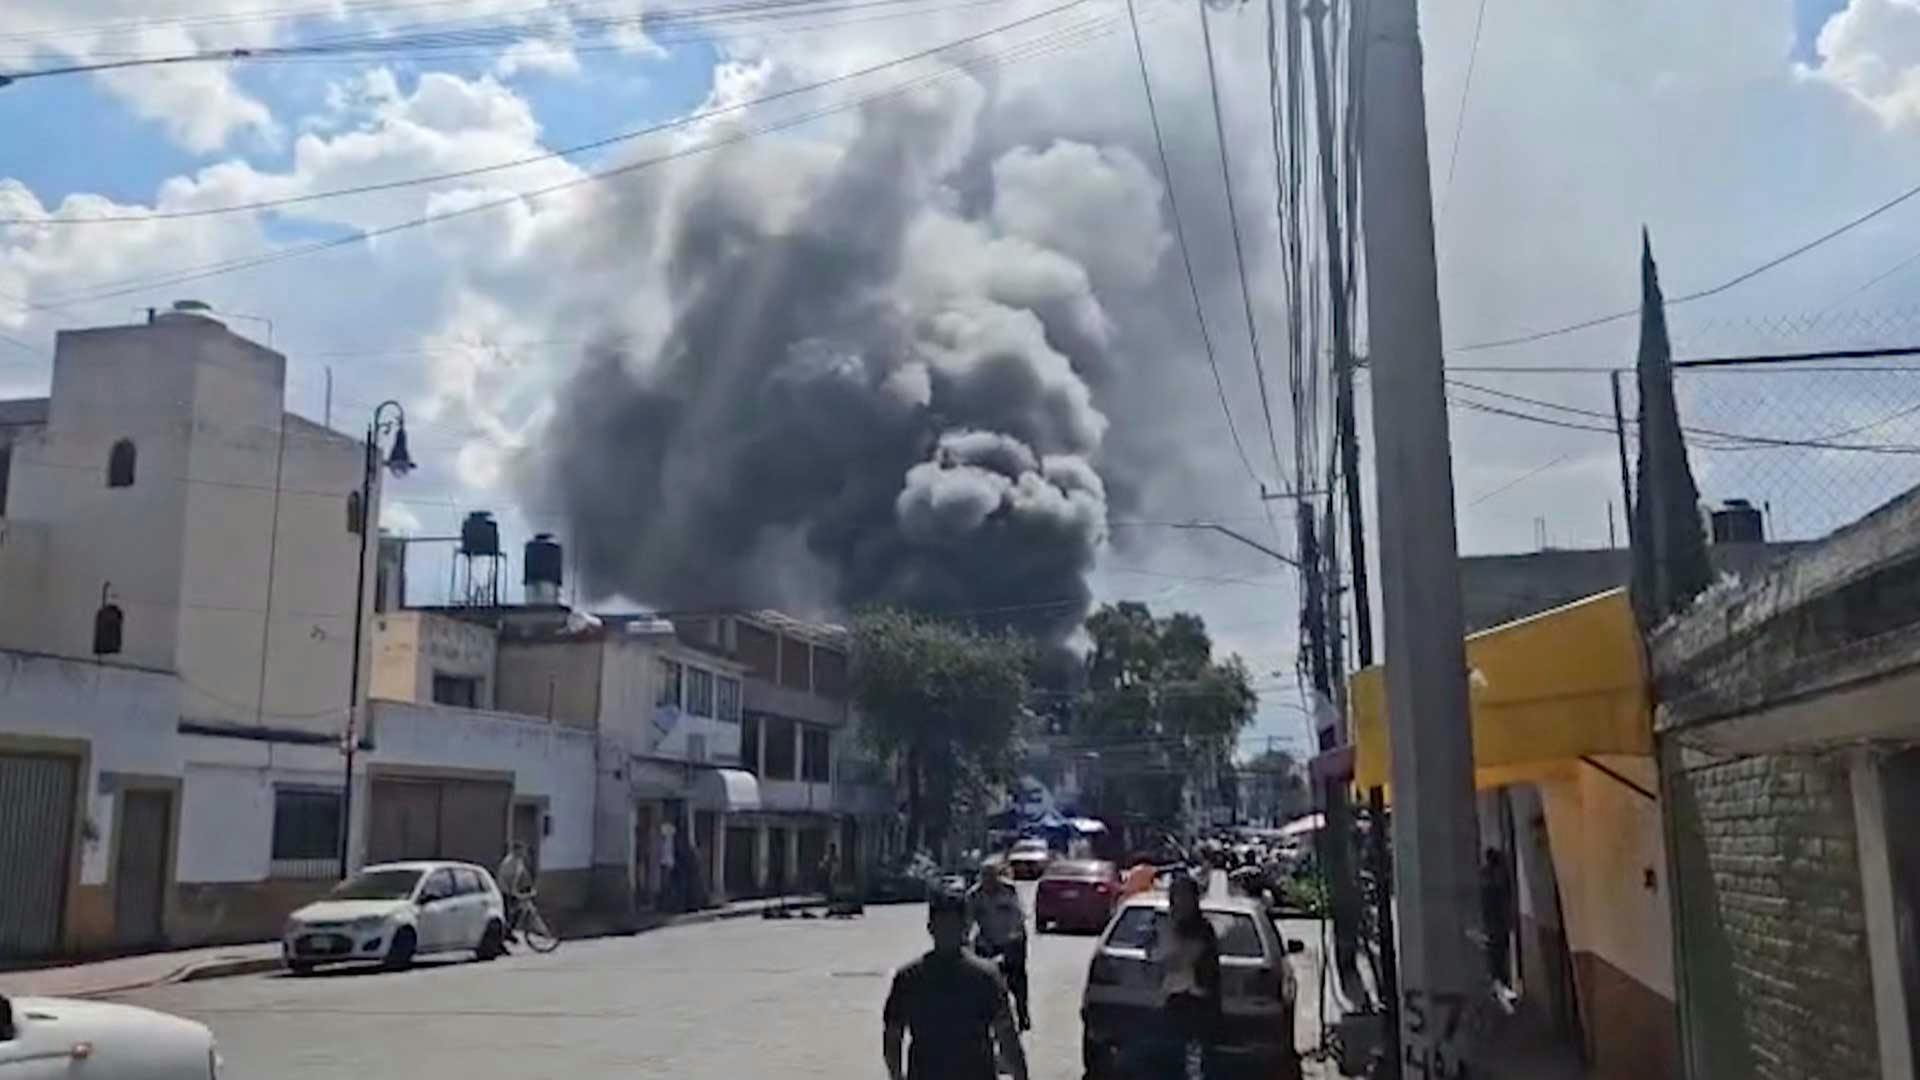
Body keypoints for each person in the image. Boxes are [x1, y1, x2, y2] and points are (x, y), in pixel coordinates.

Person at [883, 891, 1029, 1080]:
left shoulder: (909, 978)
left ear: (930, 928)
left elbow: (893, 1036)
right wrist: (1020, 1074)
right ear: (965, 928)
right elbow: (1007, 1035)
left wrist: (896, 1075)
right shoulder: (985, 976)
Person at [1151, 872, 1222, 1080]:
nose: (1180, 902)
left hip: (1199, 1007)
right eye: (1176, 897)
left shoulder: (1202, 929)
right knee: (1170, 1061)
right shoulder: (1165, 925)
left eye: (1185, 897)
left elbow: (1202, 966)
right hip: (1173, 1004)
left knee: (1196, 1066)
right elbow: (1155, 957)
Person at [967, 862, 1031, 1031]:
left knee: (1017, 978)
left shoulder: (1009, 890)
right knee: (980, 976)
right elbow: (968, 923)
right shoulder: (974, 895)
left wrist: (1012, 940)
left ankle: (1022, 1013)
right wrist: (969, 942)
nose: (989, 883)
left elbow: (1019, 917)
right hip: (988, 941)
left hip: (1012, 939)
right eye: (985, 878)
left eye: (992, 877)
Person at [1481, 847, 1513, 990]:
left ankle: (1498, 982)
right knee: (1499, 955)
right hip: (1498, 924)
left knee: (1495, 955)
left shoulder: (1485, 877)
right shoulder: (1500, 877)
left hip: (1493, 924)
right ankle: (1501, 982)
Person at [497, 842, 533, 944]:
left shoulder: (519, 861)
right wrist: (513, 892)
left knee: (519, 910)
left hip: (512, 889)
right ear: (516, 851)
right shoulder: (509, 862)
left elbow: (524, 874)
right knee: (508, 915)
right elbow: (507, 879)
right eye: (521, 850)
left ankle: (509, 932)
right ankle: (505, 936)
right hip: (505, 890)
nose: (523, 852)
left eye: (524, 850)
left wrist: (529, 887)